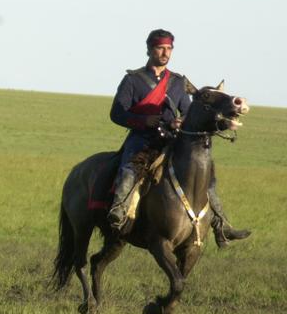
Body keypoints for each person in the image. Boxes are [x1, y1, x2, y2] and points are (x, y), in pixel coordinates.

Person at [107, 29, 250, 247]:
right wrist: (143, 121)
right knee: (129, 171)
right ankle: (118, 213)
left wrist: (180, 121)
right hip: (142, 139)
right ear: (149, 49)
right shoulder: (132, 80)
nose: (165, 53)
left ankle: (222, 225)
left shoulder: (176, 81)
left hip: (172, 140)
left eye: (169, 49)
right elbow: (117, 114)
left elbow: (187, 110)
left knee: (205, 179)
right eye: (160, 48)